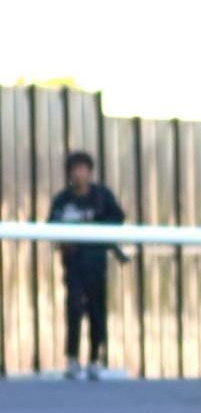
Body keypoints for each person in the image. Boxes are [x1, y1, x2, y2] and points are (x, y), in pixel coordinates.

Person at [47, 151, 125, 378]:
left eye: (83, 169)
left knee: (97, 310)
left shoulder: (102, 196)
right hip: (73, 264)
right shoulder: (63, 199)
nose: (79, 174)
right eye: (75, 169)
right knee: (73, 308)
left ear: (90, 171)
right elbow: (50, 225)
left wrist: (95, 228)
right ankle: (72, 358)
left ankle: (94, 358)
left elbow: (118, 217)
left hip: (96, 262)